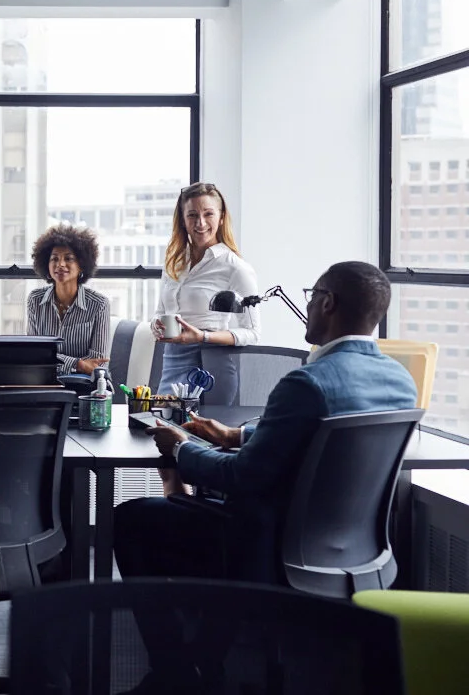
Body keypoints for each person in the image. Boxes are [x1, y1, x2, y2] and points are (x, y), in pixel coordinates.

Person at [112, 261, 418, 695]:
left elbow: (242, 476)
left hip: (270, 548)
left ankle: (177, 671)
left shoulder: (307, 383)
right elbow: (321, 430)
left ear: (327, 303)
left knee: (133, 521)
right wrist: (238, 433)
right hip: (357, 548)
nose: (309, 305)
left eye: (313, 295)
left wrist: (179, 448)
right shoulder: (399, 381)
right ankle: (205, 659)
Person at [153, 182, 261, 407]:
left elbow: (252, 333)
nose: (200, 223)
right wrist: (156, 324)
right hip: (172, 358)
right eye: (192, 215)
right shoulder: (174, 262)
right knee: (163, 427)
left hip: (210, 363)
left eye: (208, 214)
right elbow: (161, 311)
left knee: (200, 436)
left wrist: (202, 336)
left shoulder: (235, 267)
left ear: (221, 217)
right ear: (183, 220)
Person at [25, 224, 111, 377]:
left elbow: (97, 362)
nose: (60, 264)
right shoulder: (35, 300)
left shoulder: (99, 304)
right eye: (54, 259)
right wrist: (78, 364)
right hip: (45, 382)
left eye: (68, 258)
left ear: (82, 265)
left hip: (87, 385)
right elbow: (34, 354)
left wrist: (55, 362)